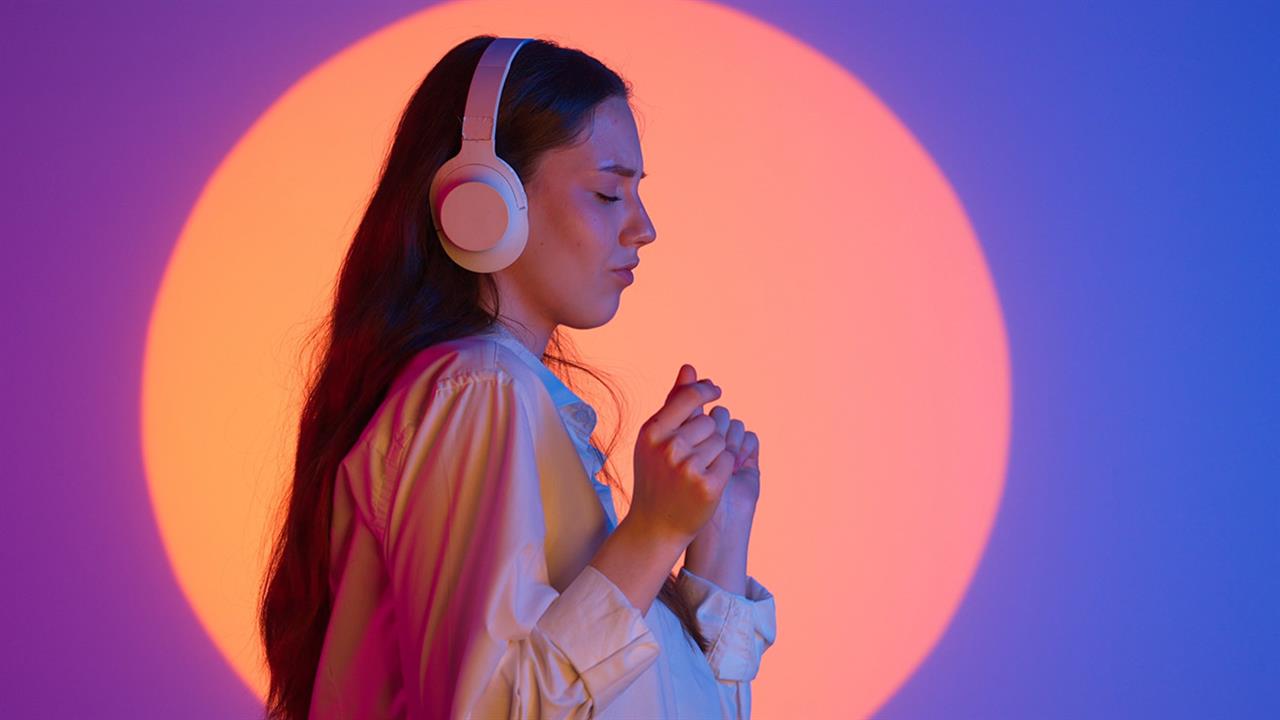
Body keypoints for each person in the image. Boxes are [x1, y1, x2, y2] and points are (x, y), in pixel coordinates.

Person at [258, 35, 776, 719]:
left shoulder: (503, 399)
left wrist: (715, 547)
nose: (643, 228)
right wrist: (652, 531)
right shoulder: (478, 392)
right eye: (607, 192)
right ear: (485, 202)